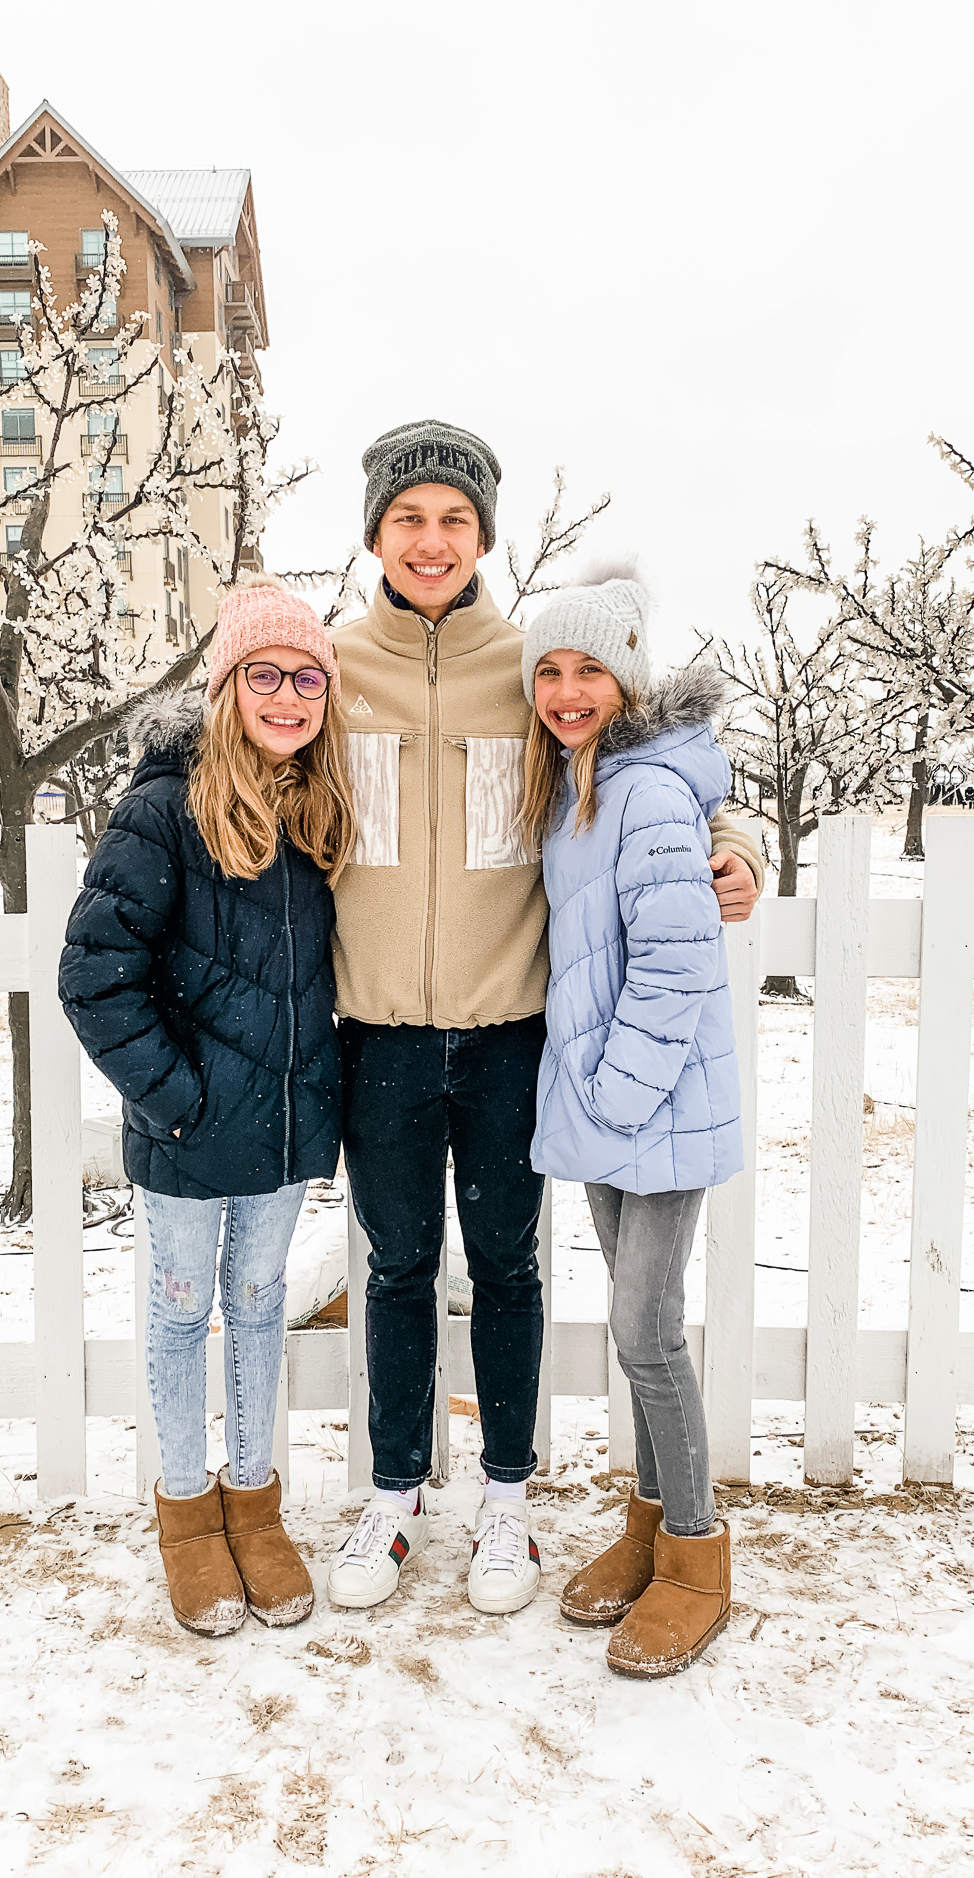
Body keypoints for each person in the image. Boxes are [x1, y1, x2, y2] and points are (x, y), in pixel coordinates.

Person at [324, 421, 762, 1617]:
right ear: (376, 532)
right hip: (379, 1032)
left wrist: (737, 840)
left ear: (483, 538)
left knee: (510, 1268)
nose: (431, 540)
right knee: (400, 1267)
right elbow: (239, 761)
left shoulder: (530, 666)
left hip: (511, 1026)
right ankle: (399, 1493)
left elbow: (649, 762)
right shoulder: (329, 668)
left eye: (454, 520)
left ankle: (508, 1503)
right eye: (409, 518)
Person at [58, 581, 354, 1638]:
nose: (287, 695)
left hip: (283, 1130)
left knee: (262, 1303)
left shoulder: (321, 807)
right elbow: (96, 977)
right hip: (187, 1132)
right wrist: (177, 1097)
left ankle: (256, 1505)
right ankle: (188, 1517)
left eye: (306, 676)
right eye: (263, 675)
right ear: (227, 687)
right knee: (184, 1310)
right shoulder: (162, 809)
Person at [520, 568, 740, 1677]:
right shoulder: (580, 785)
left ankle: (697, 1559)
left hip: (649, 1104)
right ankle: (649, 1527)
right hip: (615, 1109)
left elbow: (674, 966)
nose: (567, 690)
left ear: (629, 676)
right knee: (635, 1323)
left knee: (646, 1329)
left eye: (589, 668)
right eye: (549, 670)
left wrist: (609, 1100)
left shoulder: (647, 793)